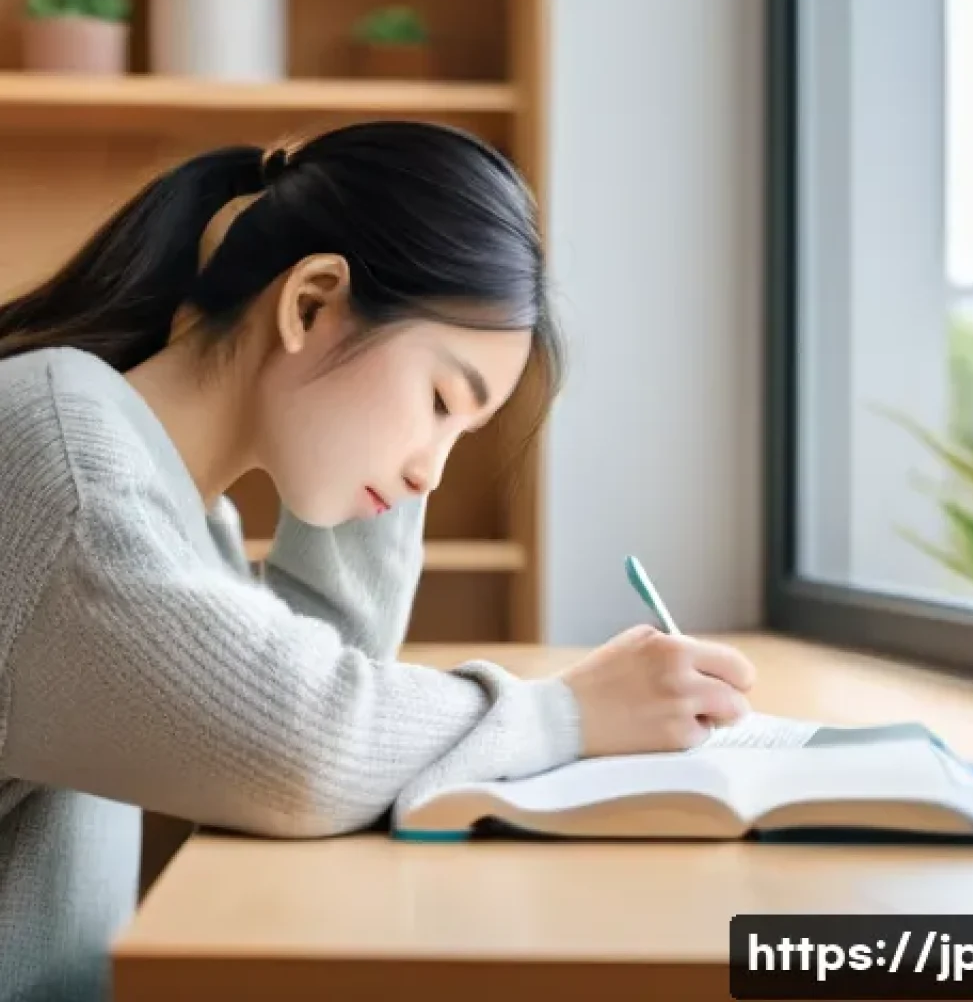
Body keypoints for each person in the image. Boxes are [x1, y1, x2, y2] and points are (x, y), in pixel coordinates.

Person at [0, 120, 756, 1000]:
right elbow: (299, 753)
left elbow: (315, 690)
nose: (431, 471)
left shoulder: (177, 503)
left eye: (461, 432)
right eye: (438, 400)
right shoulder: (67, 472)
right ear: (310, 303)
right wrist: (568, 714)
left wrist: (378, 466)